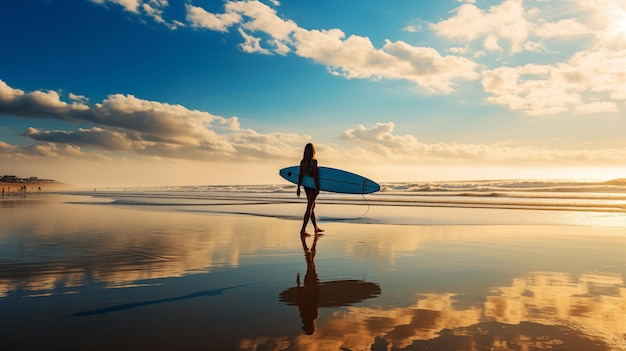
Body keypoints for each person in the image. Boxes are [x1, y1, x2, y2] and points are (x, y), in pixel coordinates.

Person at [297, 143, 324, 235]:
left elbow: (300, 175)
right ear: (313, 151)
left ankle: (315, 227)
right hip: (313, 187)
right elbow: (315, 176)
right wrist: (317, 187)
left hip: (307, 187)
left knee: (311, 206)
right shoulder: (314, 162)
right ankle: (303, 230)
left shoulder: (302, 162)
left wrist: (298, 187)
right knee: (309, 207)